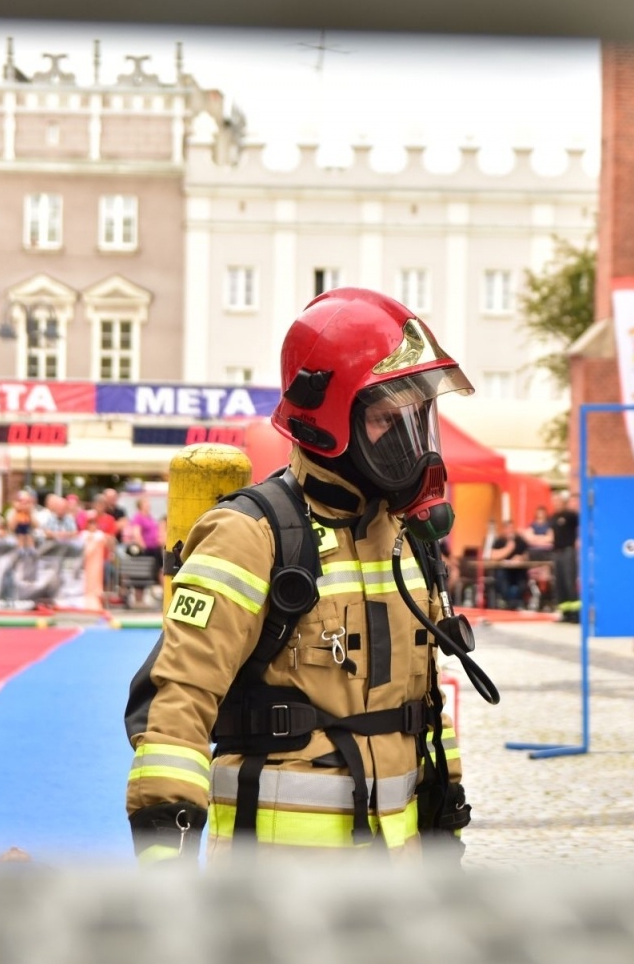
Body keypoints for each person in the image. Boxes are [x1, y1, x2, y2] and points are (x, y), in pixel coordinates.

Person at [124, 287, 474, 859]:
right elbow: (178, 708)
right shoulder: (250, 534)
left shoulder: (405, 540)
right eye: (388, 418)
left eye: (416, 417)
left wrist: (445, 841)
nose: (411, 442)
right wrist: (168, 872)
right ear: (328, 419)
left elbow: (424, 712)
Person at [490, 517, 531, 608]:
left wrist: (521, 558)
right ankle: (508, 601)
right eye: (508, 528)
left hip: (518, 570)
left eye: (512, 528)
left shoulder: (520, 541)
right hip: (504, 570)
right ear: (504, 530)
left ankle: (516, 601)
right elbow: (493, 556)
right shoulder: (499, 541)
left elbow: (526, 555)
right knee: (501, 576)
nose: (510, 531)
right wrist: (508, 548)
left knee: (522, 578)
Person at [548, 489, 579, 608]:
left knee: (569, 580)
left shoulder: (571, 515)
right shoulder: (553, 517)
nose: (555, 503)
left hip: (568, 551)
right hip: (557, 552)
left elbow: (582, 525)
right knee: (559, 582)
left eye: (557, 500)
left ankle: (575, 611)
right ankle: (564, 610)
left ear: (563, 501)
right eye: (553, 501)